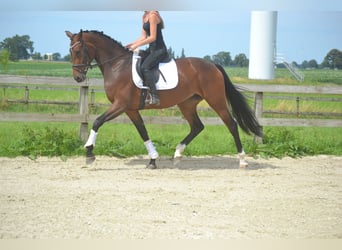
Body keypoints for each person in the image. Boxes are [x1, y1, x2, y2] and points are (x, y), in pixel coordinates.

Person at [126, 11, 169, 105]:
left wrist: (137, 45)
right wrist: (132, 44)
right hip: (151, 50)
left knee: (145, 67)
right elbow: (143, 36)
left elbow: (152, 37)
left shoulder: (153, 16)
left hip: (159, 50)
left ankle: (155, 96)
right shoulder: (144, 16)